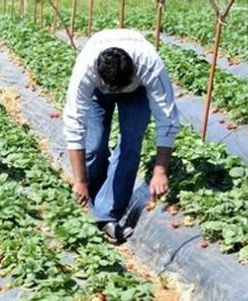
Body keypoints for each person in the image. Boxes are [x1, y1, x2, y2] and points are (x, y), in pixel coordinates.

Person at [63, 28, 180, 242]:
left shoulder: (149, 65)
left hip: (136, 92)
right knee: (95, 145)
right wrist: (79, 180)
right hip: (98, 91)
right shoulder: (86, 68)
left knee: (130, 145)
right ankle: (92, 201)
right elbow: (74, 123)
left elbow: (168, 120)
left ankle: (108, 214)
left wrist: (160, 170)